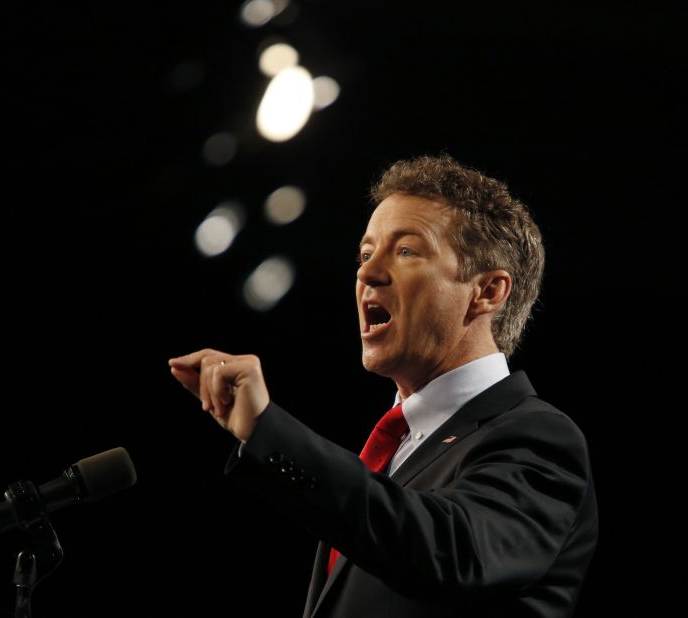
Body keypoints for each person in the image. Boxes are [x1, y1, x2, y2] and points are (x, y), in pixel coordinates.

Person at [169, 154, 598, 617]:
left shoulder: (538, 437)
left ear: (488, 291)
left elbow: (448, 552)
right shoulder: (396, 449)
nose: (366, 273)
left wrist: (270, 432)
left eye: (407, 250)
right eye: (367, 253)